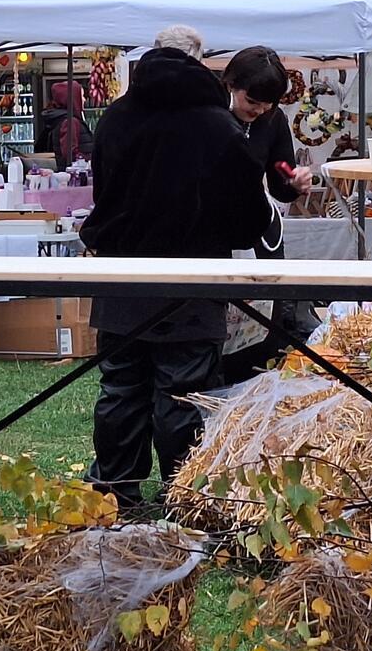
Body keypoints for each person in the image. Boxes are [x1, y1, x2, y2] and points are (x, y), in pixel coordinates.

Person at [82, 26, 274, 508]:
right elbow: (244, 219)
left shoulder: (115, 118)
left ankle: (114, 492)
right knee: (183, 395)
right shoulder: (218, 126)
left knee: (121, 389)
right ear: (201, 63)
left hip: (121, 276)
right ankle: (184, 494)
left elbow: (101, 193)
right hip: (194, 278)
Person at [219, 46, 315, 381]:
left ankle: (257, 382)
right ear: (232, 84)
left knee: (265, 321)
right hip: (216, 233)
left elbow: (279, 179)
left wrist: (295, 182)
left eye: (267, 105)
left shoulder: (273, 121)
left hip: (260, 232)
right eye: (252, 102)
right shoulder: (210, 114)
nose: (258, 111)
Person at [41, 80, 94, 164]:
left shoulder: (64, 119)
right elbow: (70, 154)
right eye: (82, 96)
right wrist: (91, 160)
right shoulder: (70, 122)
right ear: (73, 98)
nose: (84, 100)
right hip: (75, 174)